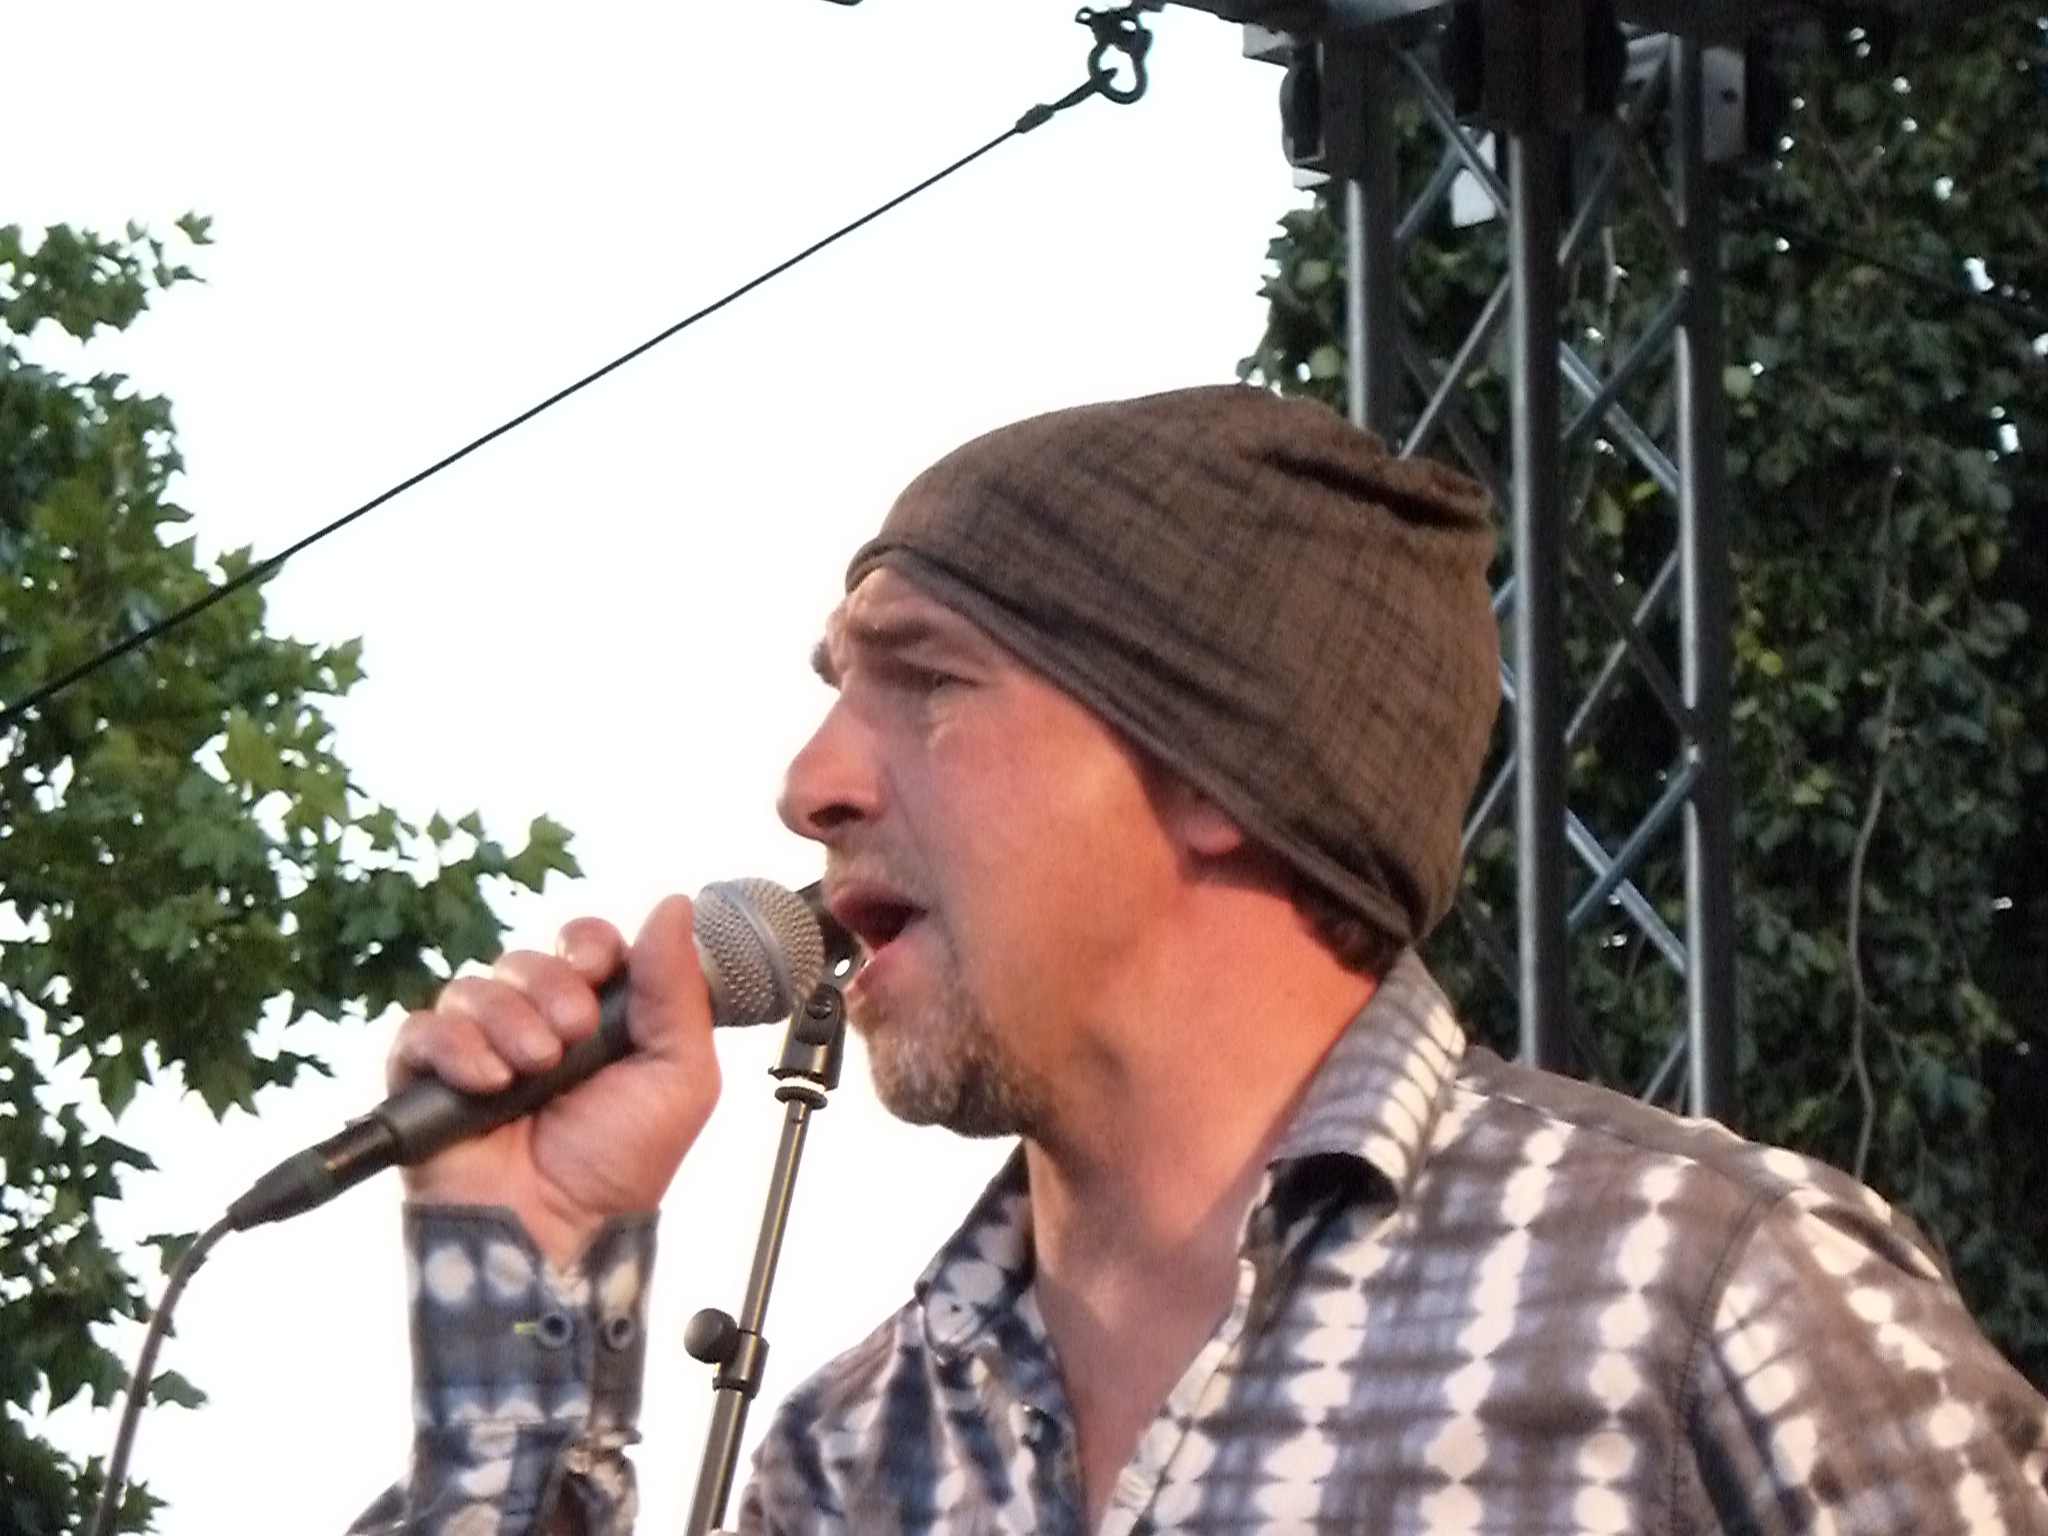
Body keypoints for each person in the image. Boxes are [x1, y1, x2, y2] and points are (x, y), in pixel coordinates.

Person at [350, 386, 2048, 1536]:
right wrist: (529, 1272)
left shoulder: (1703, 1289)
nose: (813, 783)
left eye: (924, 679)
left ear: (1222, 771)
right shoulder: (857, 1457)